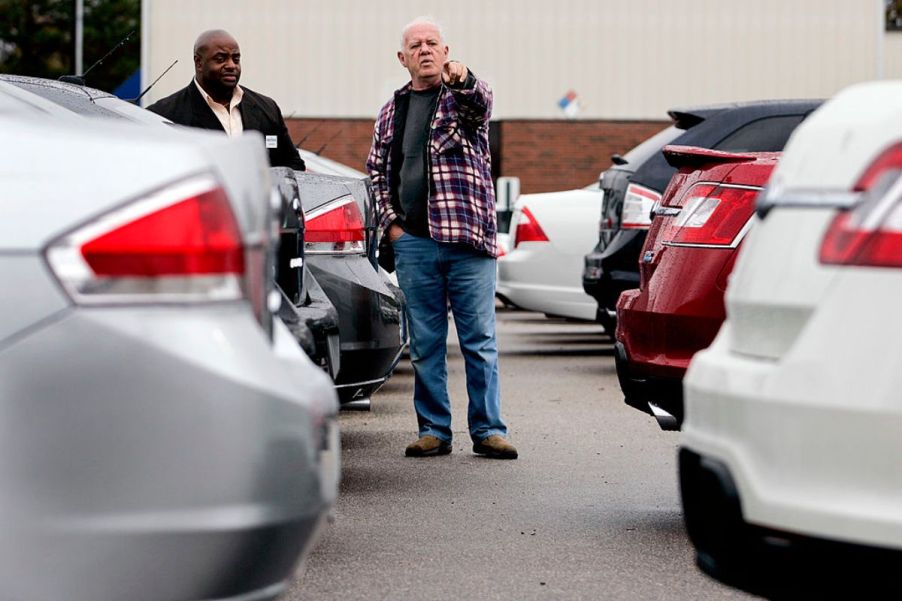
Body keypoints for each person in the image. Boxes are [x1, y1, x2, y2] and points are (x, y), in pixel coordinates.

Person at [367, 17, 517, 459]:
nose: (425, 50)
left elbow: (480, 104)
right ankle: (434, 429)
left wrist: (464, 78)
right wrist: (393, 226)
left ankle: (488, 429)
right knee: (426, 344)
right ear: (403, 57)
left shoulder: (461, 97)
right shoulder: (392, 110)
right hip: (413, 243)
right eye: (416, 45)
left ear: (446, 51)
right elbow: (377, 171)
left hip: (467, 240)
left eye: (433, 43)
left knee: (479, 340)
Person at [147, 29, 305, 171]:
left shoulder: (267, 108)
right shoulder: (163, 115)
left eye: (236, 59)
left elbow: (293, 163)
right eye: (221, 59)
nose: (231, 65)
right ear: (199, 62)